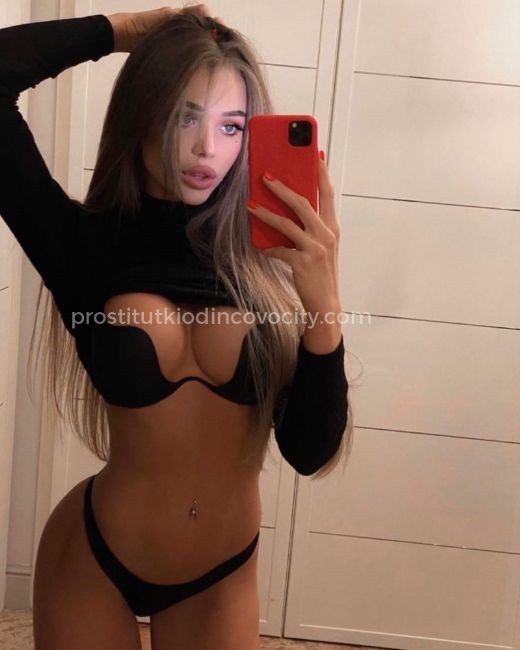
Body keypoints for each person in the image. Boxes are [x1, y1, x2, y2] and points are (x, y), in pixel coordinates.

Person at [0, 3, 353, 648]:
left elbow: (310, 451)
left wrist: (323, 306)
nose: (206, 148)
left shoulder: (269, 259)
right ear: (142, 114)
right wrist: (126, 31)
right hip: (94, 558)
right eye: (184, 116)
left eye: (230, 125)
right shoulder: (83, 245)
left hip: (221, 573)